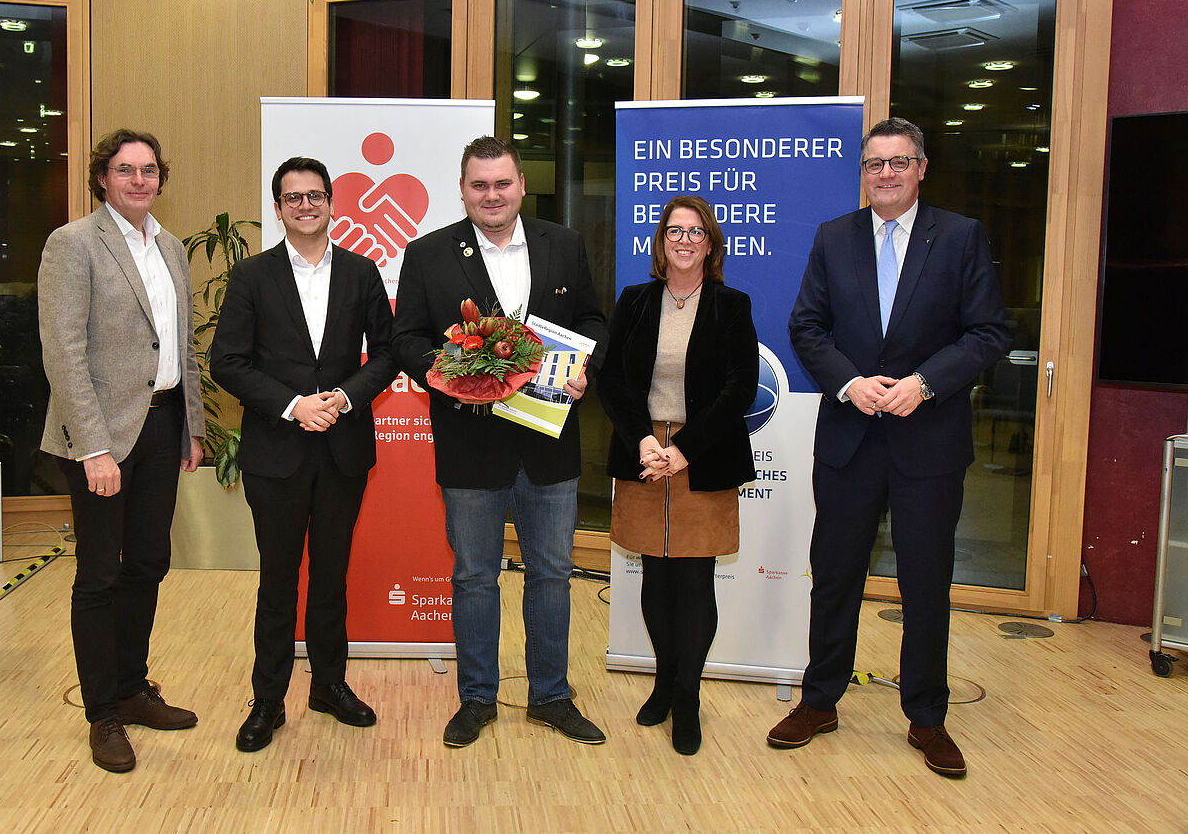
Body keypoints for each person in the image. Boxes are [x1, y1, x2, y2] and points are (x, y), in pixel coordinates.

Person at [770, 117, 1009, 777]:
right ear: (863, 172)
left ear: (921, 168)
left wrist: (925, 384)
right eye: (875, 163)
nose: (886, 174)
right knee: (835, 574)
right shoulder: (834, 237)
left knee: (925, 582)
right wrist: (849, 382)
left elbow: (989, 331)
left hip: (929, 444)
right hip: (849, 441)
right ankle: (819, 701)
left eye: (899, 162)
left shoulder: (959, 236)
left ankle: (927, 716)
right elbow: (807, 326)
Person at [391, 135, 609, 748]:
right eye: (480, 185)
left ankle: (552, 696)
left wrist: (585, 367)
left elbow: (592, 319)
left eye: (503, 183)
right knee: (474, 577)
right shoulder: (428, 253)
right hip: (470, 443)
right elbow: (406, 339)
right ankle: (476, 699)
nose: (493, 195)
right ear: (463, 190)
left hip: (549, 444)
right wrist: (451, 373)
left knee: (552, 574)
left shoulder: (563, 244)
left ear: (521, 186)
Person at [210, 157, 396, 754]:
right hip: (277, 452)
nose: (306, 205)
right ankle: (268, 700)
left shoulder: (362, 272)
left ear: (331, 203)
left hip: (343, 449)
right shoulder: (252, 276)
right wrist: (293, 406)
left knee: (331, 577)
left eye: (315, 195)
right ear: (278, 208)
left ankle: (329, 686)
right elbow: (226, 361)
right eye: (294, 198)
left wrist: (344, 397)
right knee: (278, 582)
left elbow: (388, 353)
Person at [38, 128, 205, 773]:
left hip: (162, 428)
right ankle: (102, 712)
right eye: (126, 169)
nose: (140, 180)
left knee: (149, 563)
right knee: (99, 575)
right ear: (102, 177)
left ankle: (133, 688)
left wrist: (192, 426)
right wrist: (93, 448)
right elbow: (64, 354)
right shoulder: (74, 243)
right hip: (102, 437)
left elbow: (180, 346)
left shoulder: (169, 246)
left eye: (150, 170)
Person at [597, 195, 759, 756]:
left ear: (710, 244)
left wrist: (684, 449)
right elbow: (612, 379)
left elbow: (740, 387)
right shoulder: (636, 300)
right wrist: (642, 438)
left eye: (695, 232)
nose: (684, 240)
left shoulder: (730, 305)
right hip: (643, 453)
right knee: (655, 578)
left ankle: (687, 696)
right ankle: (664, 681)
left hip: (703, 453)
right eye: (674, 231)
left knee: (693, 581)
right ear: (661, 242)